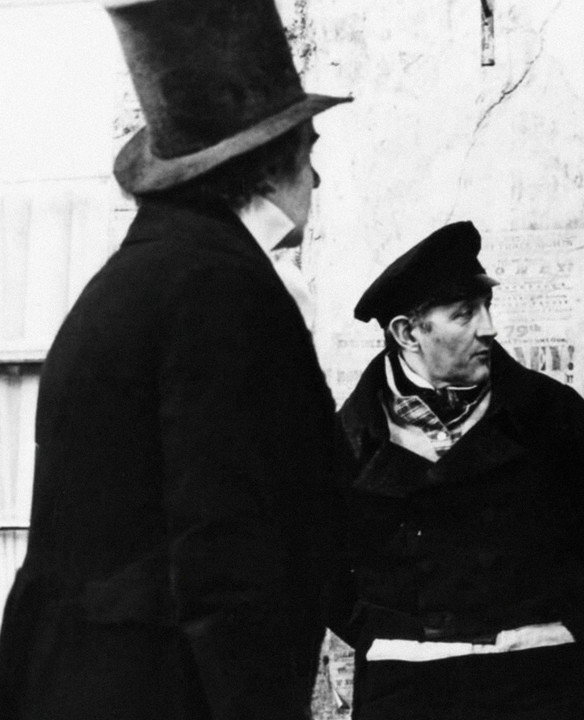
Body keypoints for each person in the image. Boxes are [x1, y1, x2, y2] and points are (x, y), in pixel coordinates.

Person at [0, 2, 351, 719]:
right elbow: (227, 550)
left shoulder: (133, 278)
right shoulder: (224, 291)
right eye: (309, 150)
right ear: (267, 165)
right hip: (166, 691)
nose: (316, 181)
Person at [331, 221, 584, 720]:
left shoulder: (554, 415)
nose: (489, 328)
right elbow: (320, 570)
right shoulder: (345, 441)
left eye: (487, 307)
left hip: (549, 686)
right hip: (408, 692)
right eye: (464, 313)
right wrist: (389, 636)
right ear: (407, 333)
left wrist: (564, 631)